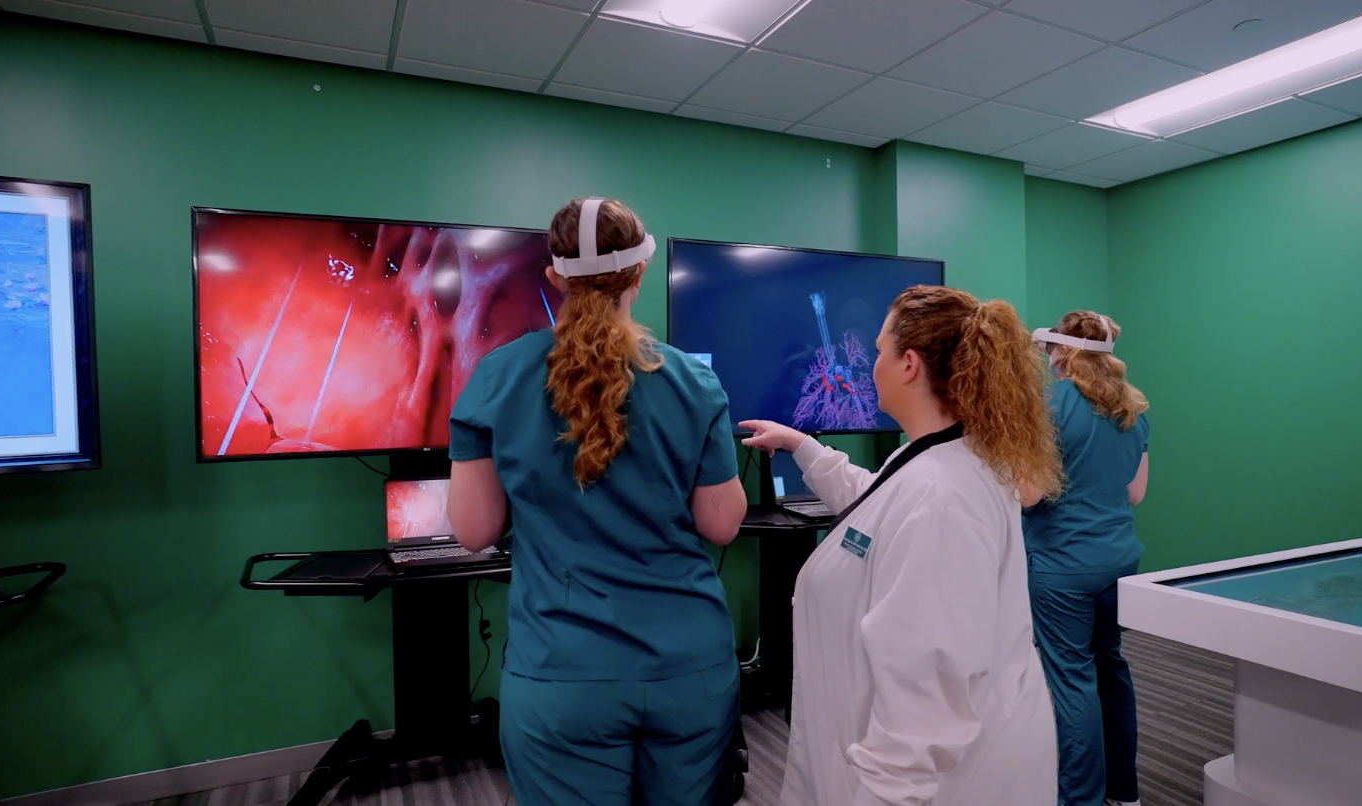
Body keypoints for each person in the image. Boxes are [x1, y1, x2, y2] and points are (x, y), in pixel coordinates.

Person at [443, 197, 748, 806]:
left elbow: (474, 531)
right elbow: (720, 524)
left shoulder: (495, 377)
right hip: (688, 670)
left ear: (554, 276)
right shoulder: (693, 380)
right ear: (639, 275)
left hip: (562, 675)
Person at [742, 285, 1061, 806]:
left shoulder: (942, 498)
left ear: (909, 364)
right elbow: (876, 504)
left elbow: (924, 710)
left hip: (945, 782)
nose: (871, 365)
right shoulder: (940, 456)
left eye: (878, 351)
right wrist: (801, 445)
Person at [1026, 311, 1151, 806]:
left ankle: (1080, 800)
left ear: (1060, 350)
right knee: (1111, 667)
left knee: (1072, 680)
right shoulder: (1134, 406)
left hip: (1063, 567)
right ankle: (1124, 793)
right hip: (1120, 561)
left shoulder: (1048, 404)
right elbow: (1135, 492)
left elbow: (1029, 494)